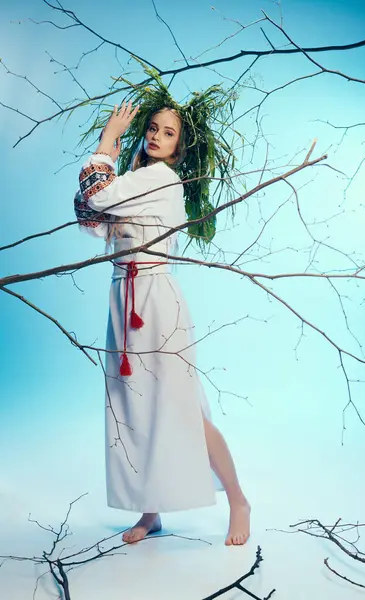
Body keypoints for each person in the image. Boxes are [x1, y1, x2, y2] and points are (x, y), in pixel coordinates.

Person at [74, 98, 250, 546]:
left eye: (167, 133)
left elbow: (96, 195)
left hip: (154, 301)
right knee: (134, 409)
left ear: (179, 148)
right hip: (123, 297)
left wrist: (107, 140)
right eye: (152, 128)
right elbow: (92, 219)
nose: (154, 135)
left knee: (183, 409)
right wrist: (112, 160)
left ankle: (238, 500)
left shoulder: (161, 179)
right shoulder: (136, 178)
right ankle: (150, 511)